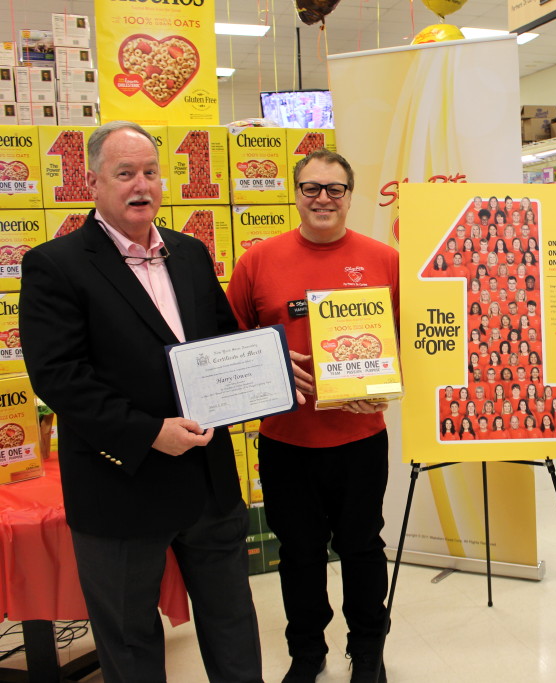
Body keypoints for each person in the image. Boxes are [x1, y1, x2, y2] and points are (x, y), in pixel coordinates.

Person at [19, 121, 262, 683]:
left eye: (150, 172)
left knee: (232, 624)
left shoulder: (191, 253)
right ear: (92, 182)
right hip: (120, 487)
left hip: (208, 482)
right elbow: (59, 377)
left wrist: (267, 374)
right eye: (125, 173)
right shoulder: (56, 265)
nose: (141, 185)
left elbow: (222, 344)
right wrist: (149, 431)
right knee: (130, 644)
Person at [227, 148, 398, 683]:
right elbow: (232, 340)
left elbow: (406, 342)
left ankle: (367, 649)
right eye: (311, 189)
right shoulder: (259, 260)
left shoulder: (383, 258)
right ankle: (307, 652)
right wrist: (272, 359)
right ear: (296, 194)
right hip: (285, 440)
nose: (323, 198)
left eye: (335, 189)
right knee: (298, 554)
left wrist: (388, 384)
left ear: (350, 195)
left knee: (363, 548)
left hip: (359, 437)